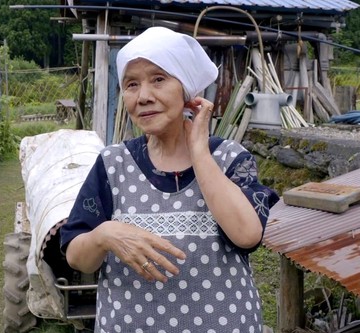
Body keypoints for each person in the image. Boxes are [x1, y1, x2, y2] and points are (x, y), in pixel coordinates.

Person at [60, 26, 279, 332]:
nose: (144, 96)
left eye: (159, 80)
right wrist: (105, 234)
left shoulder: (229, 158)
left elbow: (247, 235)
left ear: (186, 90)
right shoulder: (113, 165)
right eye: (132, 84)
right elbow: (77, 258)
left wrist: (200, 153)